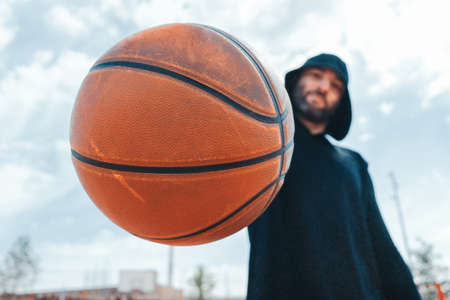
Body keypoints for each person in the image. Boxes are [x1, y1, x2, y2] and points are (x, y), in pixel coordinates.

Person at [246, 53, 421, 299]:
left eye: (336, 85)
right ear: (296, 82)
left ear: (341, 100)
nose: (324, 86)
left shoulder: (352, 163)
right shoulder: (261, 149)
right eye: (316, 76)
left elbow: (381, 244)